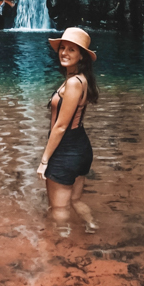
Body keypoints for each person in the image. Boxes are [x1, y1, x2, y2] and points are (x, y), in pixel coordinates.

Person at [37, 27, 99, 234]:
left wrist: (44, 161)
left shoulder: (73, 83)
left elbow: (61, 125)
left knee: (59, 207)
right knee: (74, 200)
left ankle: (62, 246)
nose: (64, 53)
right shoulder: (83, 80)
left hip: (66, 151)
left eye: (72, 50)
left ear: (81, 55)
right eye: (62, 48)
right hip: (80, 147)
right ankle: (91, 226)